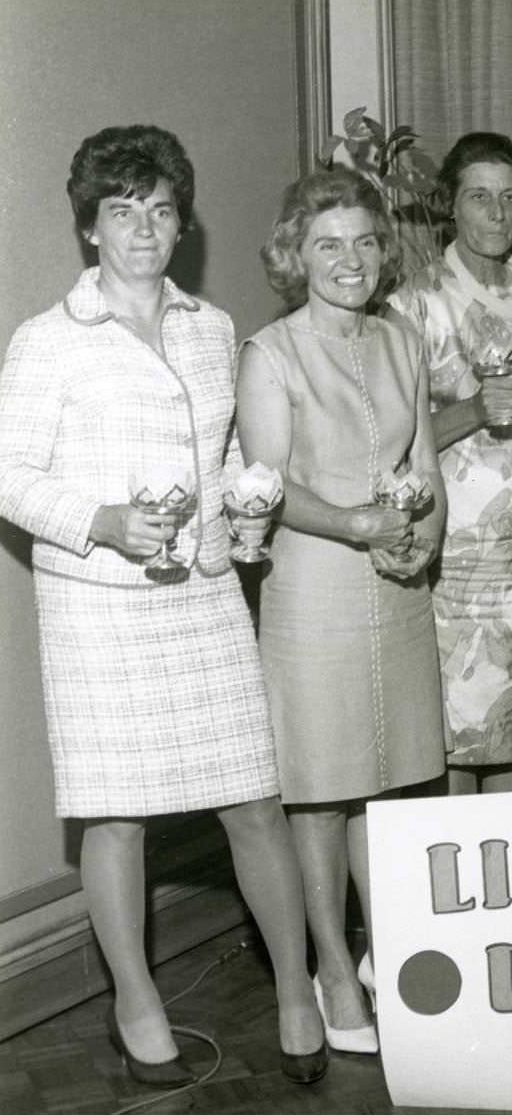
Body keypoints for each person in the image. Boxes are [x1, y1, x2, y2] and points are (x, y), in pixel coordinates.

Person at [0, 126, 326, 1085]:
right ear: (90, 229)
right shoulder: (49, 340)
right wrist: (100, 519)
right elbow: (7, 474)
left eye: (159, 210)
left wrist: (246, 509)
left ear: (180, 224)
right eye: (121, 211)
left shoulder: (211, 327)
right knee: (115, 816)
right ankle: (135, 1000)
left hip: (204, 596)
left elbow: (219, 459)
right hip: (97, 607)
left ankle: (297, 987)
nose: (143, 229)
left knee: (255, 802)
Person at [237, 166, 447, 1051]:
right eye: (329, 244)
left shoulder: (401, 339)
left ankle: (381, 953)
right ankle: (331, 969)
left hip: (395, 585)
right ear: (297, 254)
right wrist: (362, 524)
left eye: (365, 241)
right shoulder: (270, 352)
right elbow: (265, 484)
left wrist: (420, 540)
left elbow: (427, 463)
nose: (351, 260)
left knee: (390, 785)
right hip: (312, 589)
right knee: (322, 793)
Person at [387, 132, 512, 795]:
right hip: (458, 560)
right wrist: (470, 412)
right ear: (449, 208)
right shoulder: (415, 305)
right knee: (458, 743)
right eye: (479, 197)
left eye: (509, 197)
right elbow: (389, 446)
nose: (496, 212)